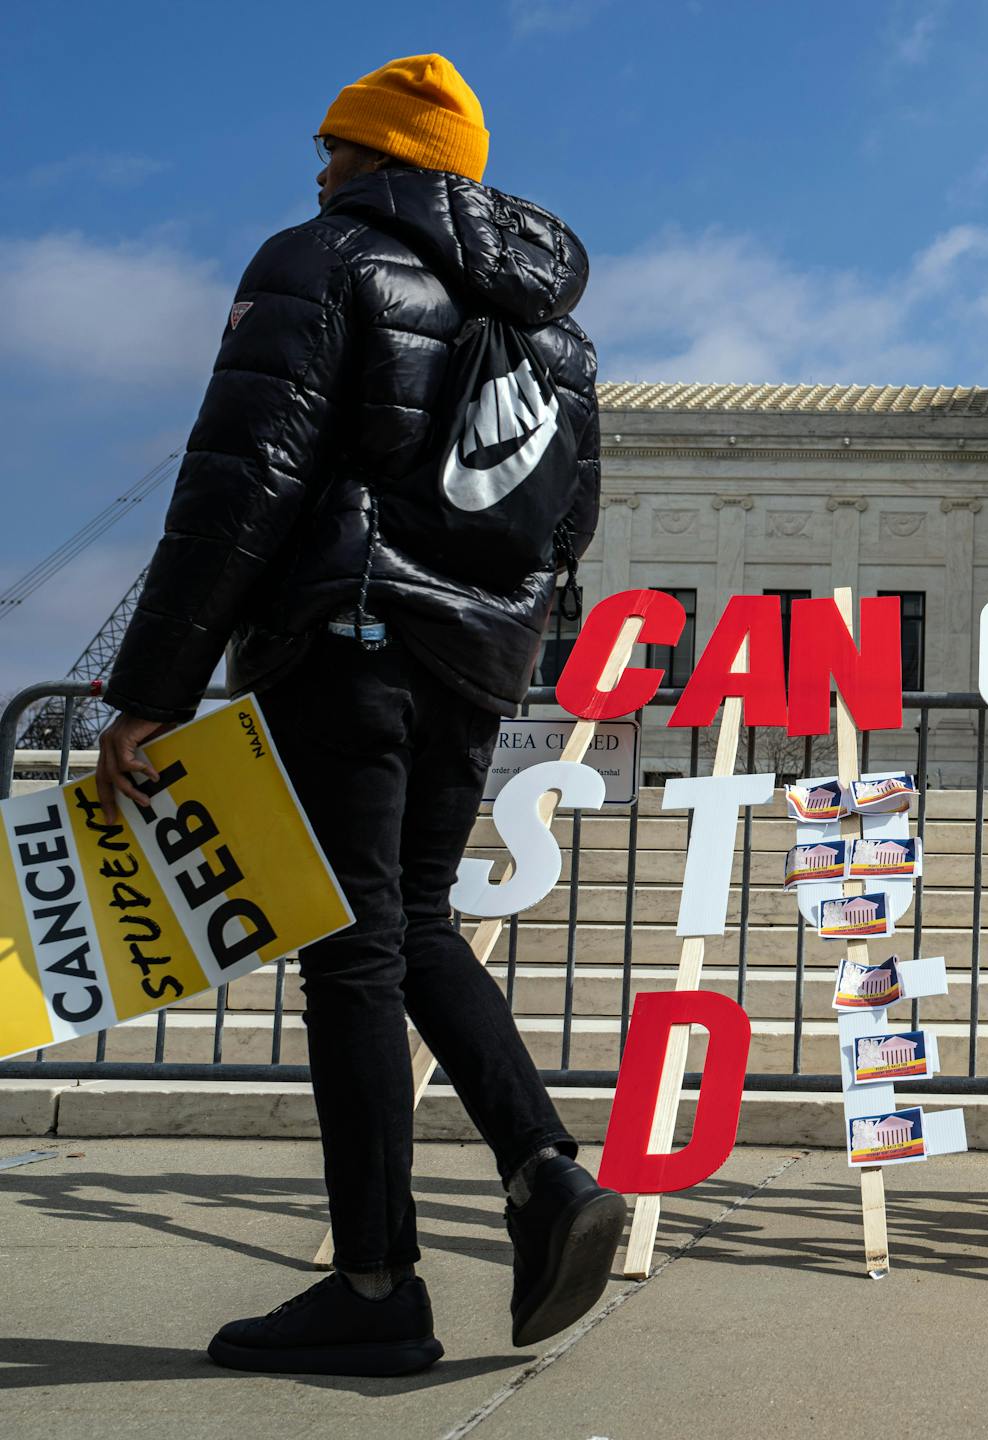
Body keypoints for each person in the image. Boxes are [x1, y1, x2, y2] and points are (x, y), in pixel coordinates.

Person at [93, 54, 618, 1378]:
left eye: (335, 146)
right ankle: (546, 1172)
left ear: (380, 157)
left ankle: (379, 1283)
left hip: (352, 643)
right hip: (472, 666)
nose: (317, 168)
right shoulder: (558, 331)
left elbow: (241, 481)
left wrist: (149, 695)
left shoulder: (321, 259)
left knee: (352, 948)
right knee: (408, 924)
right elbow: (570, 529)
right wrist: (503, 652)